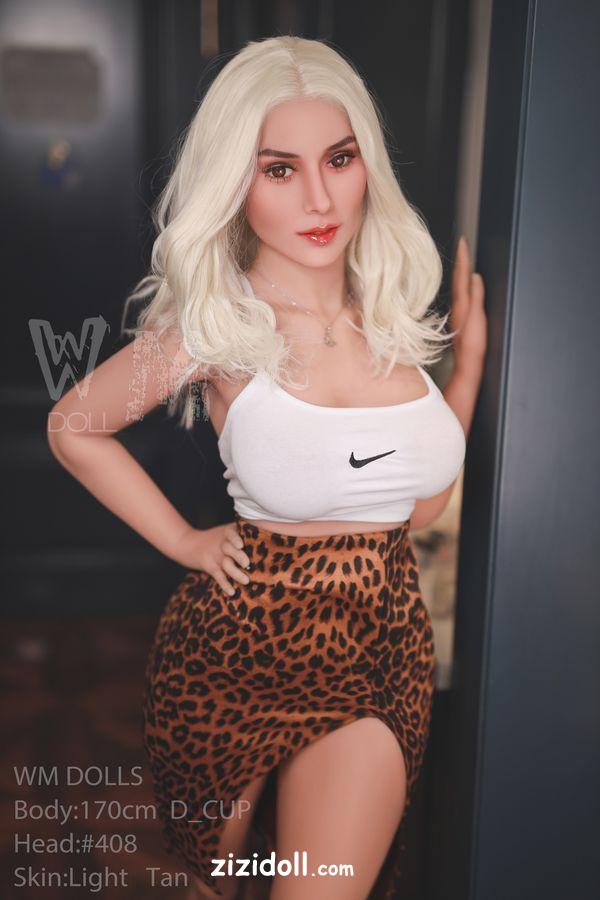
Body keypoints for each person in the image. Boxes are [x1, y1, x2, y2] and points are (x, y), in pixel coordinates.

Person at [47, 35, 487, 900]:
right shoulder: (215, 327)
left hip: (379, 654)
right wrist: (184, 540)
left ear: (367, 164)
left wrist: (465, 374)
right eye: (279, 170)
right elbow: (73, 426)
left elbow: (418, 509)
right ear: (234, 183)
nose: (319, 198)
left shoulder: (393, 314)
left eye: (339, 159)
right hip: (235, 657)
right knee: (219, 886)